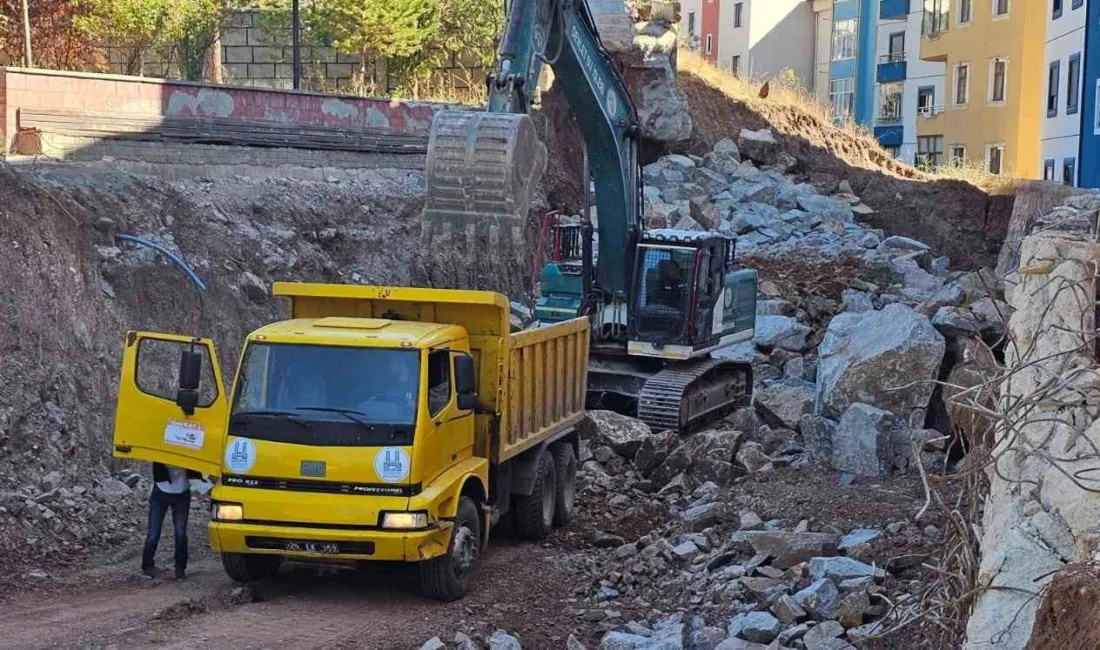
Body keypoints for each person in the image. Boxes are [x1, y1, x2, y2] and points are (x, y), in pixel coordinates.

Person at [142, 462, 200, 580]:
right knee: (153, 533)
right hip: (160, 491)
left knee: (180, 533)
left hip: (182, 493)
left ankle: (180, 569)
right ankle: (147, 566)